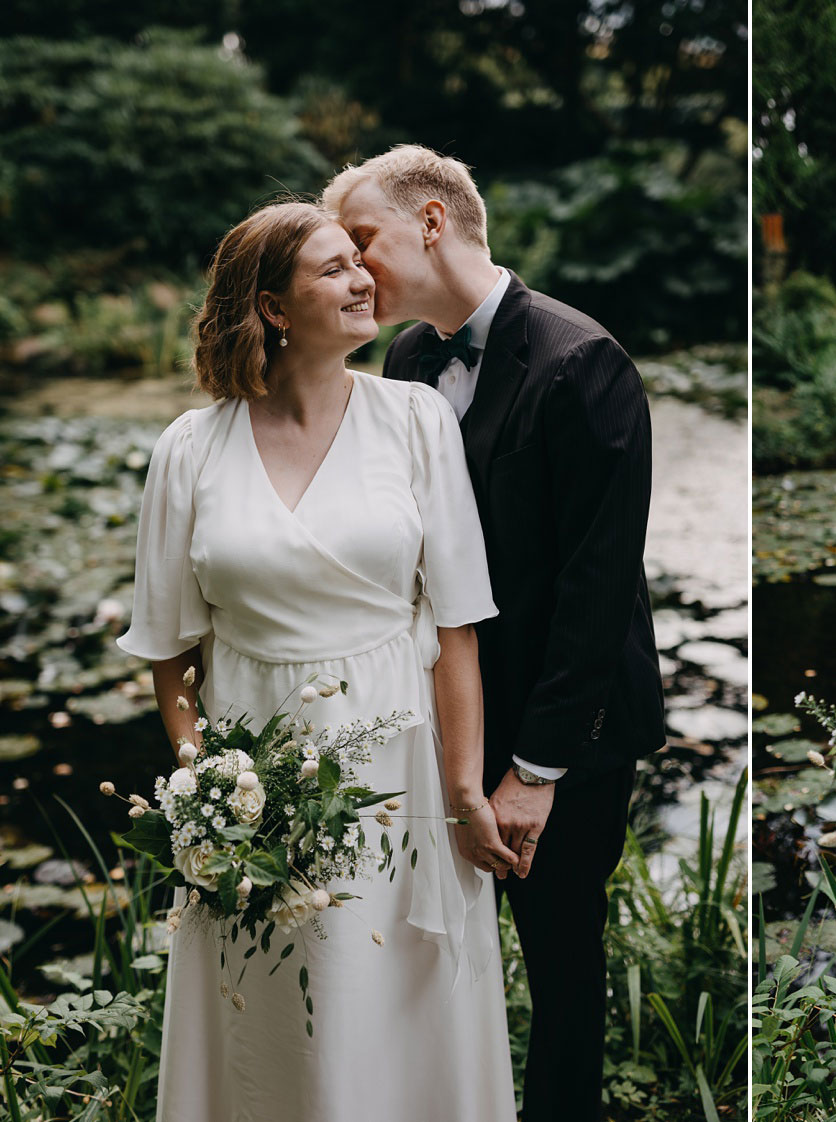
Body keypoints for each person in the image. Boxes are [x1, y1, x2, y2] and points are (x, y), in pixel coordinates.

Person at [118, 201, 517, 1121]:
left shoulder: (417, 420)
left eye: (358, 260)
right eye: (333, 269)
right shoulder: (189, 449)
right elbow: (171, 650)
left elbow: (457, 627)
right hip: (252, 773)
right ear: (272, 308)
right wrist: (204, 790)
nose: (363, 278)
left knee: (395, 1004)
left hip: (396, 764)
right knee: (269, 1009)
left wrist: (464, 790)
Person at [322, 145, 665, 1122]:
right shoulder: (406, 359)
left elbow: (596, 588)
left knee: (561, 967)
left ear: (431, 222)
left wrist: (535, 771)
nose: (353, 269)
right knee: (432, 952)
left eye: (363, 241)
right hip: (436, 726)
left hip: (565, 736)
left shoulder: (582, 362)